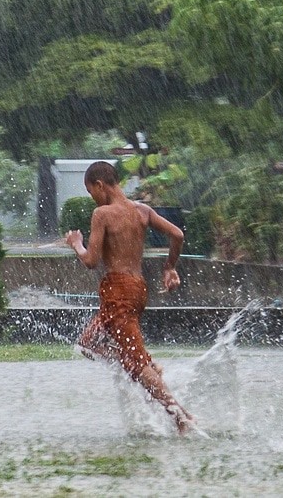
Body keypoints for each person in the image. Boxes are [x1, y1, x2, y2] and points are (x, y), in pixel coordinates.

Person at [65, 161, 195, 434]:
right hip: (137, 289)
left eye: (91, 192)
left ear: (100, 185)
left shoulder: (102, 214)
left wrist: (77, 244)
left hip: (118, 292)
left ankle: (180, 416)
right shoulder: (142, 211)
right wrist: (170, 267)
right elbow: (177, 235)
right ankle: (142, 362)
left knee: (133, 362)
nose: (92, 198)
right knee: (88, 344)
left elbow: (91, 261)